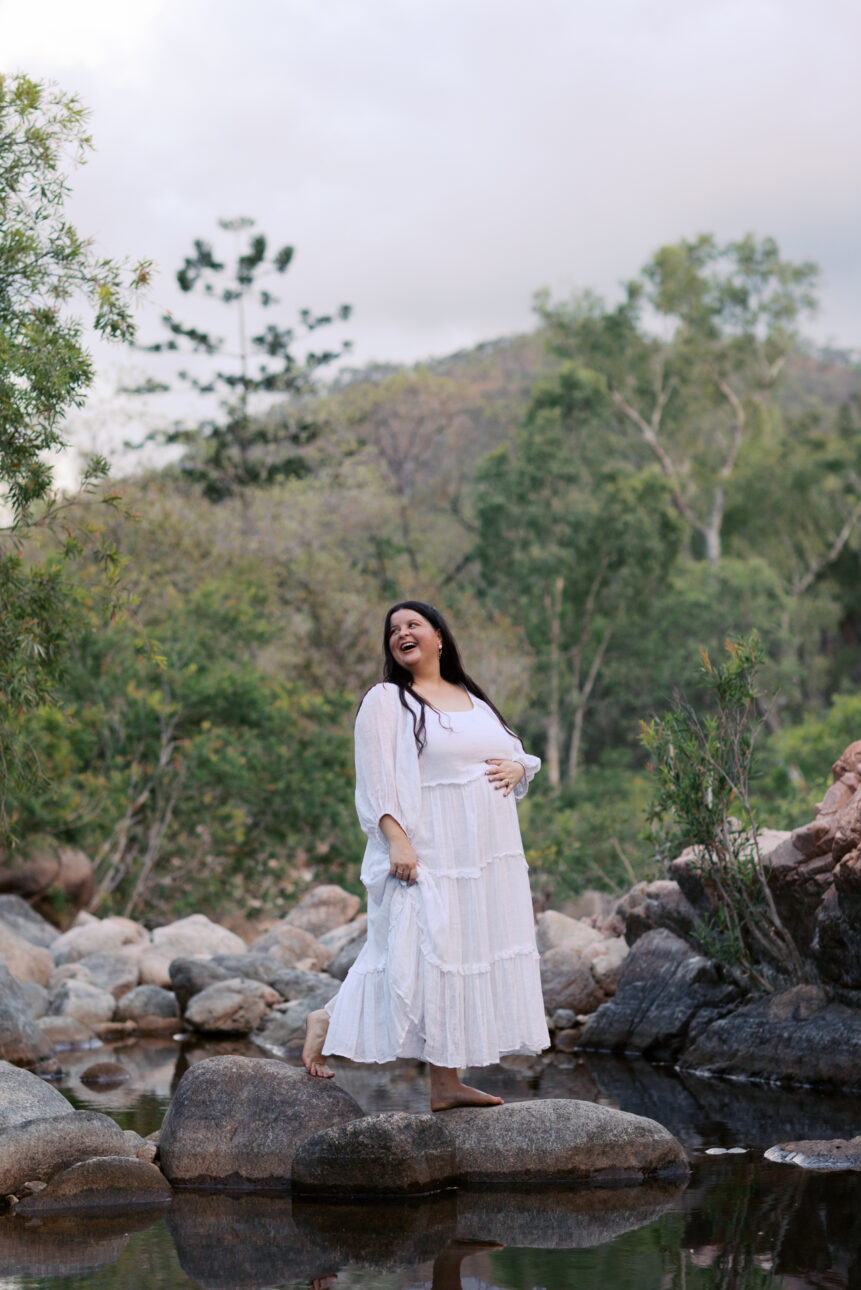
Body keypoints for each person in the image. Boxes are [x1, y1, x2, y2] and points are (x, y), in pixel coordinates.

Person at [302, 600, 549, 1110]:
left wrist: (519, 769)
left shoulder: (470, 697)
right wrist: (397, 839)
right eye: (393, 630)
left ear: (439, 636)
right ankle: (327, 1019)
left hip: (483, 856)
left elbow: (517, 751)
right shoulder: (388, 700)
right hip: (430, 848)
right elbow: (376, 778)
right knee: (414, 952)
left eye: (413, 624)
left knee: (455, 959)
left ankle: (445, 1085)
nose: (402, 633)